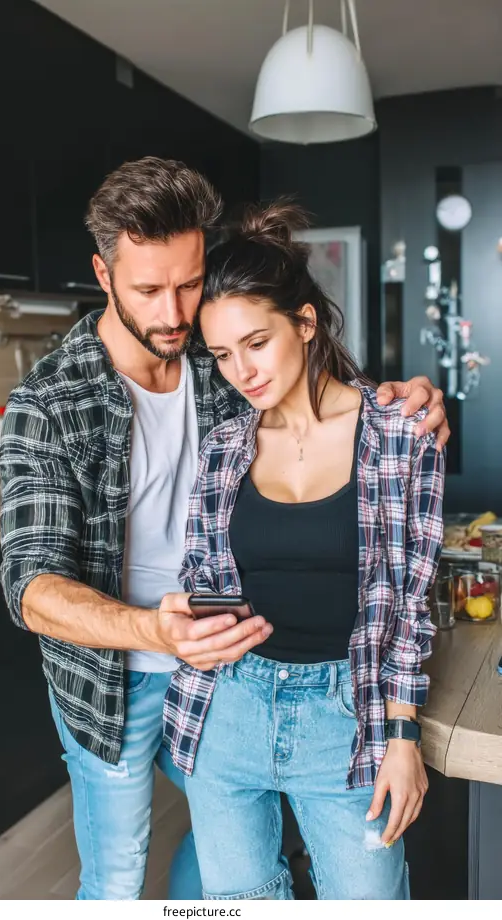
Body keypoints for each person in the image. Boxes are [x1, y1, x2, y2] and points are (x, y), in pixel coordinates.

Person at [0, 157, 449, 901]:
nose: (176, 312)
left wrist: (407, 399)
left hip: (225, 670)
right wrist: (156, 631)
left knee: (218, 870)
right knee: (117, 879)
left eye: (189, 283)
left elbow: (310, 385)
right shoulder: (50, 400)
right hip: (115, 672)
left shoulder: (214, 351)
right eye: (149, 289)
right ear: (103, 275)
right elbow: (31, 585)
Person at [162, 202, 446, 901]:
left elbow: (412, 603)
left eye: (255, 343)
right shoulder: (224, 449)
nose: (241, 371)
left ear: (305, 323)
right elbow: (207, 577)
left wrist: (402, 737)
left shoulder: (398, 435)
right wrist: (187, 613)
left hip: (344, 720)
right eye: (223, 355)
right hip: (228, 711)